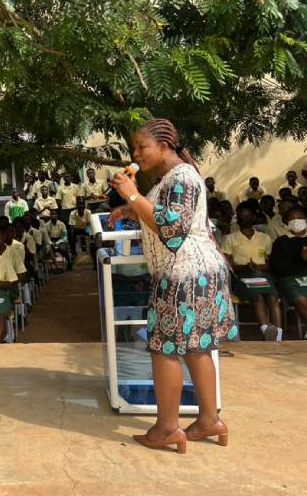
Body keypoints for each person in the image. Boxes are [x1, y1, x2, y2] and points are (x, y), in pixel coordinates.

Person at [109, 118, 236, 453]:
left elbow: (172, 230)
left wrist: (132, 194)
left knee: (164, 350)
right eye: (134, 148)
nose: (136, 153)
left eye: (141, 147)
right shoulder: (177, 177)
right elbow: (165, 215)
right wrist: (130, 209)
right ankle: (209, 420)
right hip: (199, 274)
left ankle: (167, 428)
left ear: (164, 147)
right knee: (197, 347)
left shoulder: (181, 177)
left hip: (182, 276)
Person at [221, 202, 283, 342]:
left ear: (254, 218)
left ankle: (278, 335)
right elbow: (227, 265)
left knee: (273, 297)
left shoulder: (265, 238)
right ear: (237, 219)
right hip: (241, 276)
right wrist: (244, 267)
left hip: (263, 275)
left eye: (248, 216)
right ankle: (266, 329)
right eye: (241, 216)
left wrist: (260, 267)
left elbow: (270, 263)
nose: (245, 219)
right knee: (257, 297)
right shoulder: (229, 238)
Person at [271, 206, 307, 337]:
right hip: (289, 279)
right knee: (300, 298)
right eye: (292, 219)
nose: (297, 221)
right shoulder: (281, 242)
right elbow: (276, 268)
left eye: (300, 218)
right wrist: (300, 259)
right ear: (286, 223)